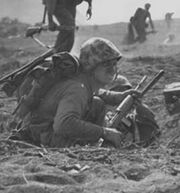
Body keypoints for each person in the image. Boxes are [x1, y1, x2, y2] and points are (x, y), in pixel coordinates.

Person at [9, 37, 141, 148]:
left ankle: (97, 143)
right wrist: (104, 132)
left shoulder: (82, 81)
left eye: (114, 64)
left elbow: (97, 93)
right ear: (92, 66)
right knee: (94, 119)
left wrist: (120, 97)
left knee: (97, 103)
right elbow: (63, 125)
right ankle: (95, 146)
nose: (112, 69)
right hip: (42, 136)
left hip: (44, 129)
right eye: (106, 65)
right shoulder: (78, 88)